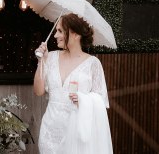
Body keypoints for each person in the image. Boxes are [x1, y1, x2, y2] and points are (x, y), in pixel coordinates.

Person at [33, 13, 113, 154]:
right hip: (50, 131)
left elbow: (101, 101)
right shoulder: (50, 57)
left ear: (75, 34)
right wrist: (41, 61)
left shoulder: (93, 63)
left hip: (77, 132)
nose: (56, 35)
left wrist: (84, 99)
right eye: (56, 31)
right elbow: (38, 91)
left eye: (60, 31)